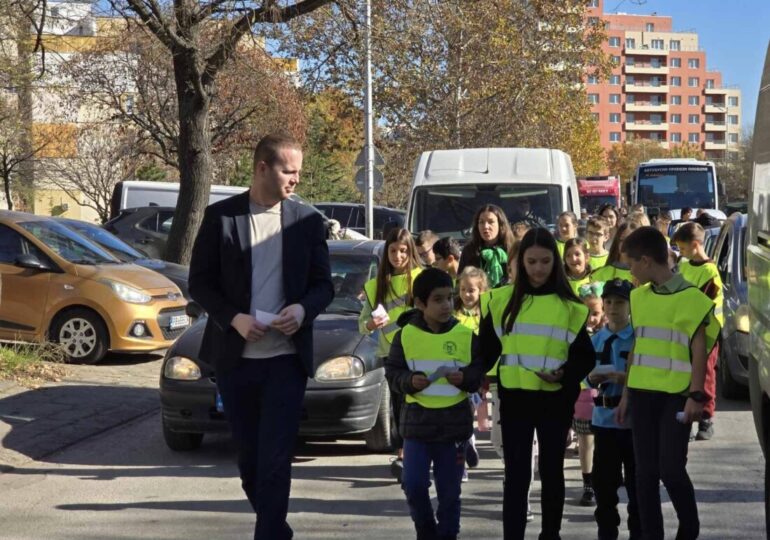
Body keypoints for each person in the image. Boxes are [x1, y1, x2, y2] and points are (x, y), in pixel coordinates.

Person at [188, 133, 334, 540]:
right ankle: (277, 531)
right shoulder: (222, 217)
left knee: (275, 459)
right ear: (262, 168)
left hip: (286, 360)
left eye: (299, 172)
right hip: (236, 361)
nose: (296, 180)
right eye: (289, 170)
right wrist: (233, 318)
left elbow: (324, 285)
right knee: (250, 463)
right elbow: (199, 283)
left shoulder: (307, 222)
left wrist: (303, 309)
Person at [479, 228, 595, 540]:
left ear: (555, 263)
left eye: (545, 261)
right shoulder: (498, 301)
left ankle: (550, 534)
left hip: (554, 400)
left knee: (552, 472)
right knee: (516, 476)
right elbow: (484, 352)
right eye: (531, 261)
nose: (538, 268)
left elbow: (585, 357)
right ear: (519, 263)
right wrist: (469, 377)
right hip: (515, 399)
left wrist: (565, 374)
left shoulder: (569, 306)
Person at [616, 226, 719, 540]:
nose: (630, 271)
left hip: (676, 395)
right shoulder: (639, 296)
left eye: (631, 264)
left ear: (646, 261)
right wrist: (625, 395)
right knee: (644, 475)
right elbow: (638, 345)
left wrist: (696, 395)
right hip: (643, 393)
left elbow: (699, 350)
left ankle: (689, 530)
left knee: (671, 470)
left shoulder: (691, 298)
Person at [385, 267, 485, 540]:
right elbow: (392, 373)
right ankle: (426, 531)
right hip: (417, 427)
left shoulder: (465, 336)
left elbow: (478, 373)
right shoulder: (404, 335)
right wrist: (409, 380)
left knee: (450, 493)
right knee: (414, 486)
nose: (446, 305)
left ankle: (448, 534)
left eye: (449, 298)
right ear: (420, 303)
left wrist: (465, 378)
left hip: (453, 429)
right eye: (438, 299)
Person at [360, 227, 423, 482]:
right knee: (398, 406)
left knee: (418, 403)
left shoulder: (421, 278)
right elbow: (362, 322)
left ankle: (421, 450)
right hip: (390, 352)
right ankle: (403, 453)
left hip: (420, 351)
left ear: (411, 252)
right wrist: (370, 325)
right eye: (394, 251)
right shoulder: (376, 286)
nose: (398, 256)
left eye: (404, 251)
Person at [587, 278, 640, 540]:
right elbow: (585, 375)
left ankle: (637, 531)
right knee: (604, 485)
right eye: (608, 302)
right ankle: (606, 532)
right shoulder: (597, 340)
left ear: (631, 306)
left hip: (631, 422)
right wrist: (591, 378)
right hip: (603, 420)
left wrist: (624, 378)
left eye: (620, 302)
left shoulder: (637, 339)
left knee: (636, 484)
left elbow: (643, 374)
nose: (613, 307)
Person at [672, 222, 724, 440]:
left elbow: (704, 301)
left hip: (707, 333)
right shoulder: (684, 265)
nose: (680, 253)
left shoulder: (709, 271)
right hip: (686, 330)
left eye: (683, 248)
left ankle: (706, 417)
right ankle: (690, 414)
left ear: (695, 245)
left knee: (706, 375)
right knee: (690, 374)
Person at [454, 266, 490, 481]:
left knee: (470, 412)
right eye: (463, 290)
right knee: (462, 414)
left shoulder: (486, 315)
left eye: (472, 290)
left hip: (477, 374)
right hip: (456, 372)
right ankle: (463, 460)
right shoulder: (453, 314)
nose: (467, 294)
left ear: (481, 291)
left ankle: (469, 442)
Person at [573, 281, 605, 507]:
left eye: (595, 313)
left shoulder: (609, 334)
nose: (590, 318)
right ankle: (588, 484)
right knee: (586, 440)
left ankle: (606, 476)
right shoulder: (574, 334)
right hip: (581, 393)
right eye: (587, 312)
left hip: (604, 394)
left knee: (604, 440)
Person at [458, 204, 515, 288]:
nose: (485, 226)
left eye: (491, 222)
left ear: (500, 225)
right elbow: (460, 282)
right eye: (481, 222)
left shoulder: (512, 249)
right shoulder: (470, 251)